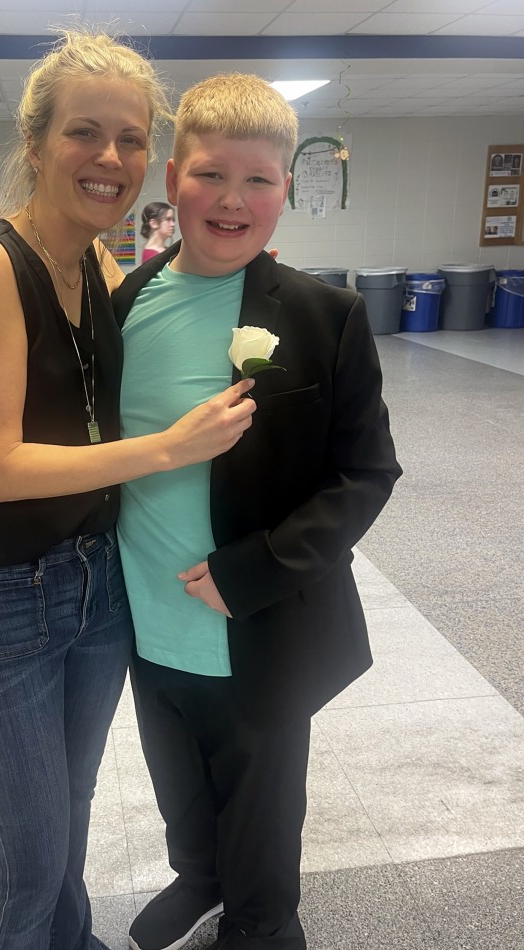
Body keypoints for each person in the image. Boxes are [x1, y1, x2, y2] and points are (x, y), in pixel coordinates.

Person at [0, 36, 257, 950]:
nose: (110, 157)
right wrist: (165, 450)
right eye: (85, 132)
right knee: (27, 857)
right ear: (36, 142)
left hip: (93, 583)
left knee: (68, 819)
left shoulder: (100, 268)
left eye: (132, 139)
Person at [113, 73, 402, 950]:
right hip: (144, 613)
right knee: (178, 781)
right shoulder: (122, 308)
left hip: (259, 616)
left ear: (286, 190)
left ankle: (263, 921)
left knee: (263, 800)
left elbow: (366, 473)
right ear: (173, 181)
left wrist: (255, 571)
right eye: (210, 175)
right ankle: (201, 878)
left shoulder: (325, 316)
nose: (232, 200)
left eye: (258, 180)